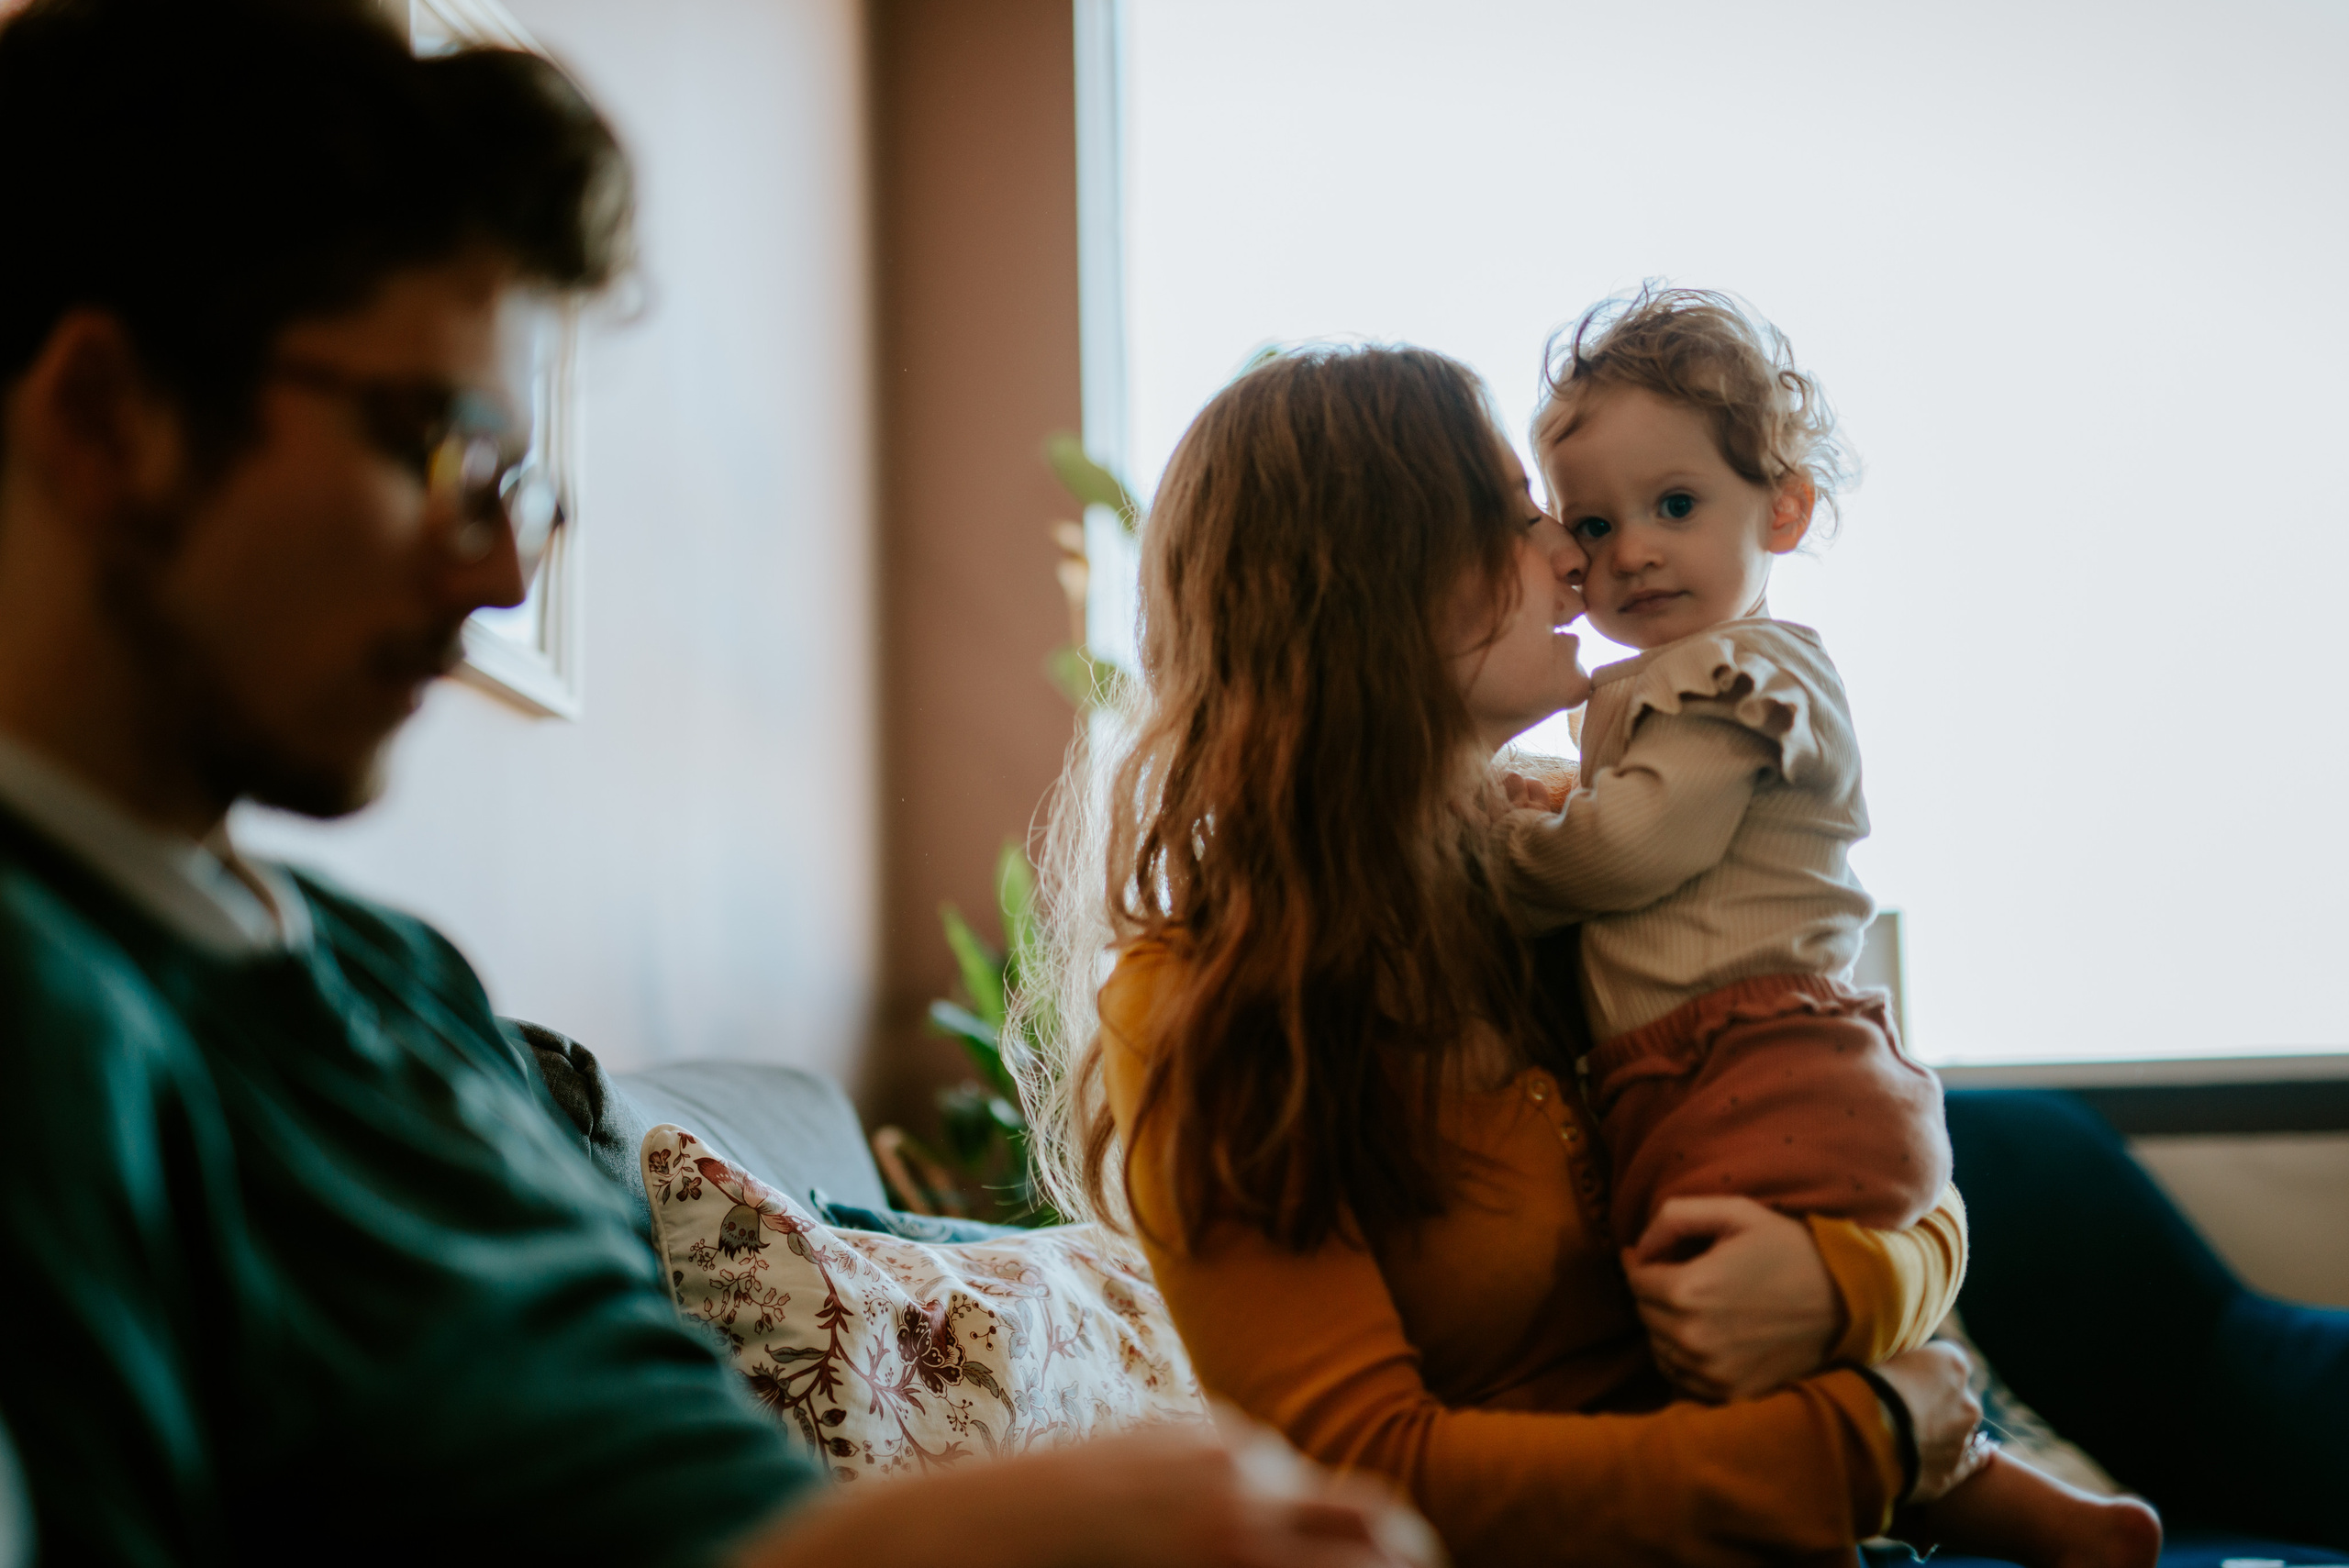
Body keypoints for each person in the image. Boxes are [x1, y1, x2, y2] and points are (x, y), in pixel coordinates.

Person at [0, 2, 1412, 1564]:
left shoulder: (399, 983)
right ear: (102, 418)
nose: (496, 561)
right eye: (443, 449)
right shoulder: (51, 1014)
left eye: (524, 491)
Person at [1028, 343, 1987, 1565]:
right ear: (1373, 583)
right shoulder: (1205, 1000)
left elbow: (1880, 1127)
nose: (1573, 556)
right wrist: (1861, 1434)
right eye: (1518, 516)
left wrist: (1854, 1283)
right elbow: (1362, 1469)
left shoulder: (1570, 845)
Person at [1497, 288, 2165, 1566]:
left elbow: (1632, 846)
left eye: (1675, 505)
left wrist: (1494, 857)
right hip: (1716, 1070)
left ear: (1784, 508)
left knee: (1722, 1358)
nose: (1631, 549)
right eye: (1595, 522)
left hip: (1756, 1064)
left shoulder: (1732, 676)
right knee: (1770, 1366)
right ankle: (2046, 1517)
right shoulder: (1657, 684)